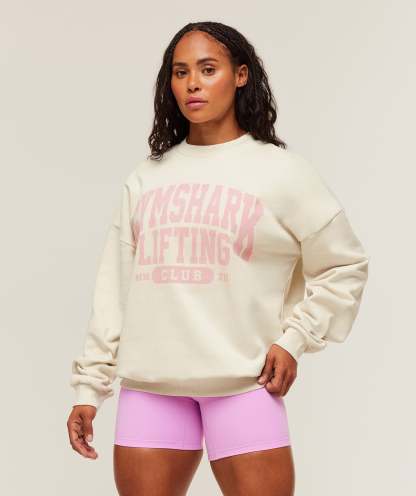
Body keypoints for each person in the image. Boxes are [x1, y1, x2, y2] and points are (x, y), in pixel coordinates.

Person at [66, 21, 369, 496]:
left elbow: (345, 265)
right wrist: (90, 388)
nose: (193, 83)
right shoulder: (147, 178)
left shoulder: (282, 172)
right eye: (181, 72)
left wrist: (294, 339)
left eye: (208, 69)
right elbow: (114, 289)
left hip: (244, 385)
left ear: (241, 75)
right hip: (151, 389)